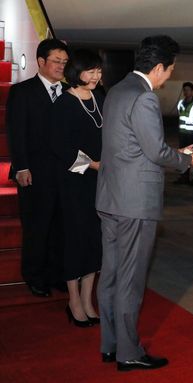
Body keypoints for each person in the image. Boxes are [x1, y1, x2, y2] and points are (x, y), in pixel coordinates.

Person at [95, 35, 193, 371]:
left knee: (111, 275)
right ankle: (129, 353)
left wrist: (176, 154)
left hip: (111, 196)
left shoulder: (116, 90)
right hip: (134, 203)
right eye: (169, 70)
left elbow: (131, 146)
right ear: (157, 67)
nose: (169, 76)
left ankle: (110, 344)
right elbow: (156, 151)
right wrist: (189, 161)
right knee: (129, 279)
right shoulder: (144, 98)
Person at [6, 38, 69, 297]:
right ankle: (34, 275)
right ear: (41, 61)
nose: (61, 66)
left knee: (60, 227)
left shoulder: (69, 92)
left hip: (63, 174)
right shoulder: (23, 91)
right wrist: (21, 167)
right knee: (36, 227)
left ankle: (56, 274)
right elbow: (16, 132)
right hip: (33, 173)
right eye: (57, 61)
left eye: (65, 62)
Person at [49, 49, 104, 328]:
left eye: (98, 71)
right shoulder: (63, 104)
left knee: (94, 240)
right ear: (76, 72)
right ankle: (73, 301)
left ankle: (87, 298)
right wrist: (92, 165)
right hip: (73, 181)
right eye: (91, 71)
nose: (96, 76)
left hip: (99, 182)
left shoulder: (99, 98)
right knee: (74, 240)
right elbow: (60, 147)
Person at [175, 82, 193, 184]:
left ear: (192, 91)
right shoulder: (180, 103)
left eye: (188, 90)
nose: (186, 92)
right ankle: (184, 177)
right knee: (183, 156)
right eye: (184, 90)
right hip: (183, 135)